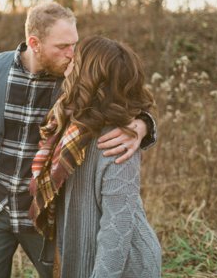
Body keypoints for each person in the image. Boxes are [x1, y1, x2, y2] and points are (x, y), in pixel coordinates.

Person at [0, 3, 157, 278]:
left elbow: (120, 98)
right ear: (34, 43)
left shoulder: (74, 79)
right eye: (63, 46)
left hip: (45, 212)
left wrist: (143, 124)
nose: (72, 53)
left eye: (74, 44)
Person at [28, 36, 161, 278]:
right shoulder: (68, 122)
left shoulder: (116, 142)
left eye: (76, 57)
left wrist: (143, 125)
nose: (69, 57)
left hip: (123, 267)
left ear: (88, 74)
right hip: (79, 253)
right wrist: (146, 123)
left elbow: (117, 229)